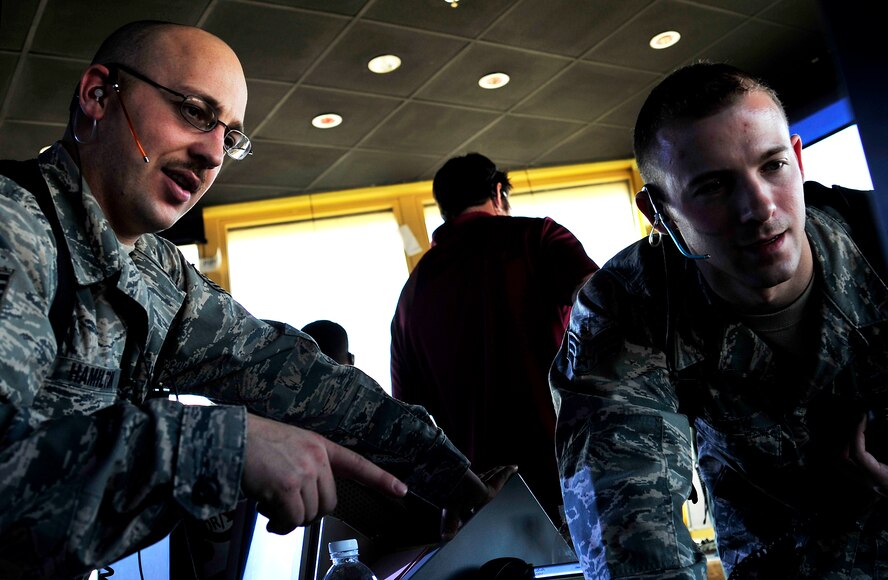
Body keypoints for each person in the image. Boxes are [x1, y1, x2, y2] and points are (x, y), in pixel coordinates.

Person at [0, 21, 514, 578]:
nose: (212, 155)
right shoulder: (13, 228)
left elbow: (283, 370)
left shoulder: (154, 265)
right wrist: (222, 449)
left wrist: (452, 480)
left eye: (230, 137)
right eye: (196, 112)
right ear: (99, 95)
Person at [551, 61, 888, 578]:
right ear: (659, 213)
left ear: (798, 160)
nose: (758, 207)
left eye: (772, 166)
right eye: (712, 187)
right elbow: (625, 514)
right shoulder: (633, 305)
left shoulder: (879, 234)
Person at [391, 152, 598, 527]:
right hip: (572, 483)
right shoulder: (537, 237)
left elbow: (408, 420)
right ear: (499, 192)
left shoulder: (411, 296)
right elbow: (604, 308)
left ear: (445, 210)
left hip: (481, 506)